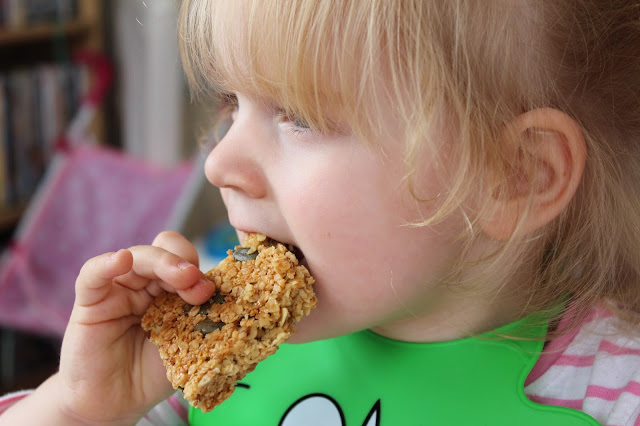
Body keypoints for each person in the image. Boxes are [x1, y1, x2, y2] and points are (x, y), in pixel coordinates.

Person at [2, 0, 640, 424]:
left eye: (299, 117)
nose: (218, 163)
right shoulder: (202, 372)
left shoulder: (614, 393)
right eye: (231, 104)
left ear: (515, 176)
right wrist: (81, 406)